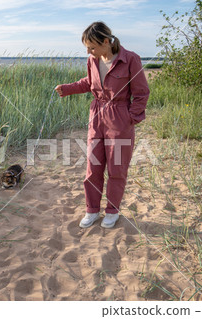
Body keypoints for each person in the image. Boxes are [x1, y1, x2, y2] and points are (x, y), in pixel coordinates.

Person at [55, 21, 149, 229]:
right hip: (96, 116)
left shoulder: (130, 59)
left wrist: (130, 118)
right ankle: (92, 210)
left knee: (117, 168)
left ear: (106, 41)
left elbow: (142, 93)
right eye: (87, 47)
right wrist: (67, 88)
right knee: (93, 167)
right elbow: (88, 83)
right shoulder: (92, 60)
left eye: (92, 47)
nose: (89, 51)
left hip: (119, 119)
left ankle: (112, 211)